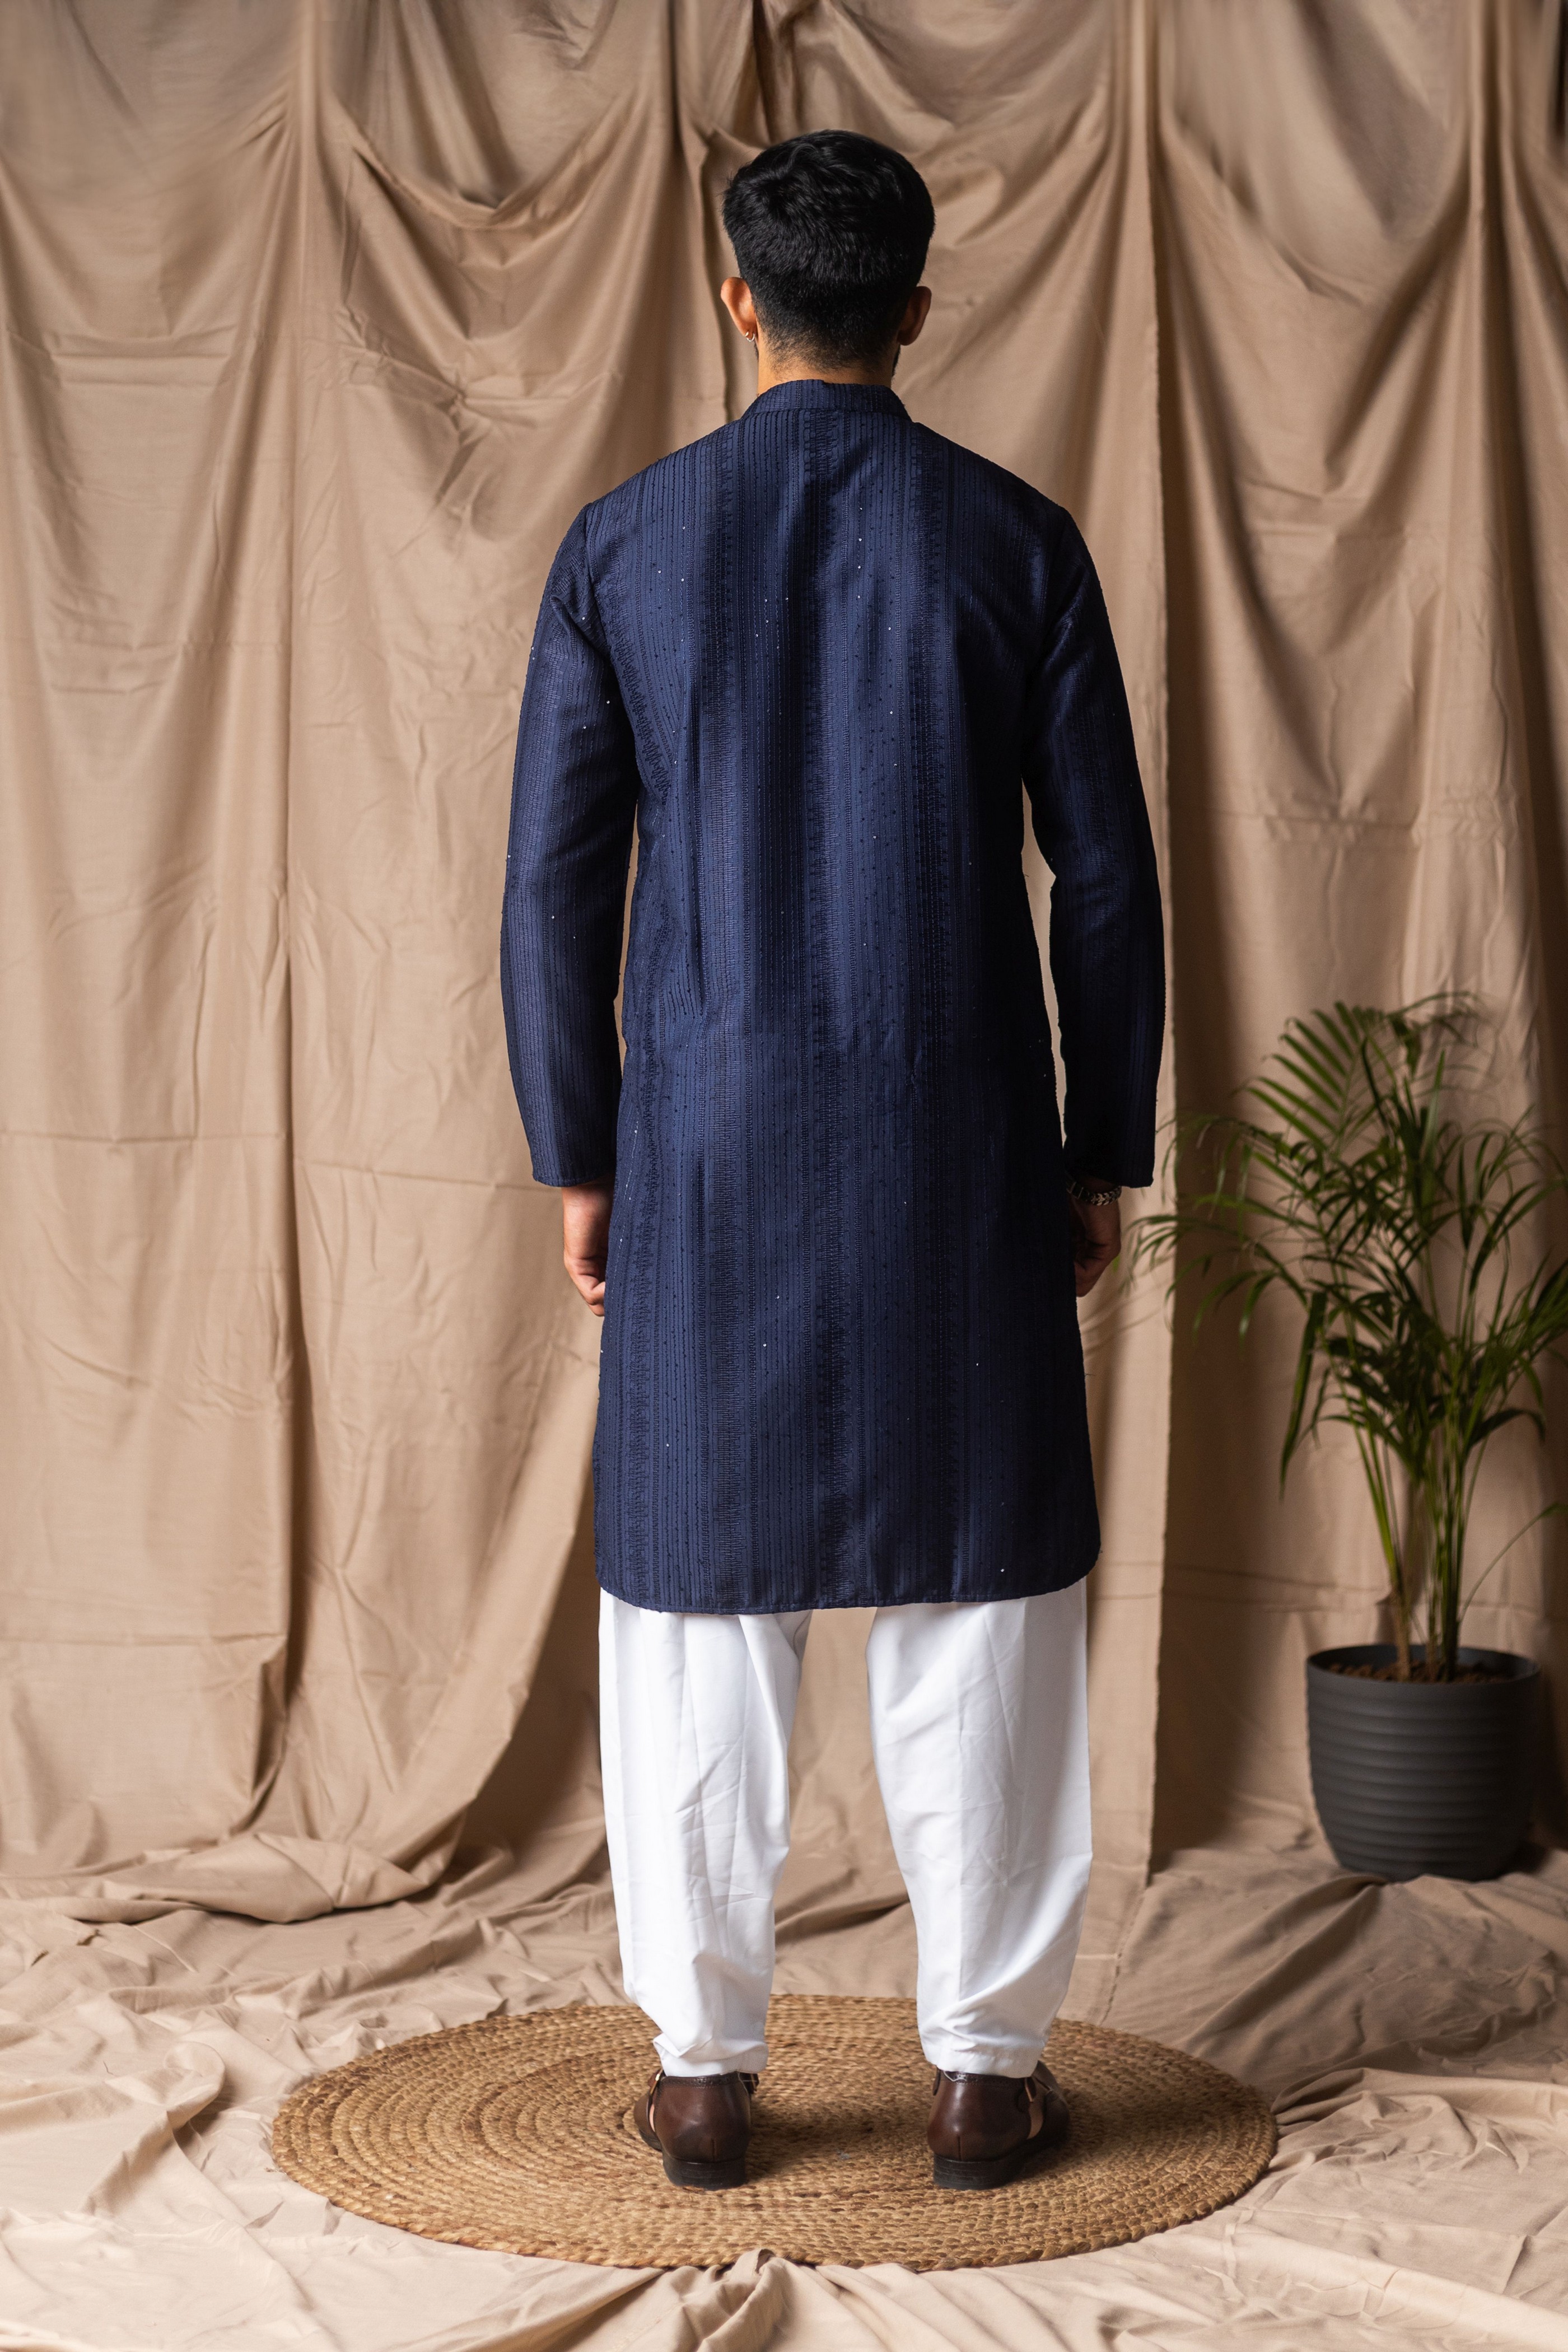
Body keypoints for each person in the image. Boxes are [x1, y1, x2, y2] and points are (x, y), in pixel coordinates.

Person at [501, 129, 1164, 2195]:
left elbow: (554, 887)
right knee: (986, 1600)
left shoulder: (624, 544)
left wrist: (581, 1154)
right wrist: (1099, 1148)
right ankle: (985, 2077)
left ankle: (704, 2077)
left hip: (705, 1150)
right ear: (918, 309)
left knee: (697, 1601)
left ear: (740, 300)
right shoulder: (1017, 539)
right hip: (958, 1138)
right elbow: (1106, 879)